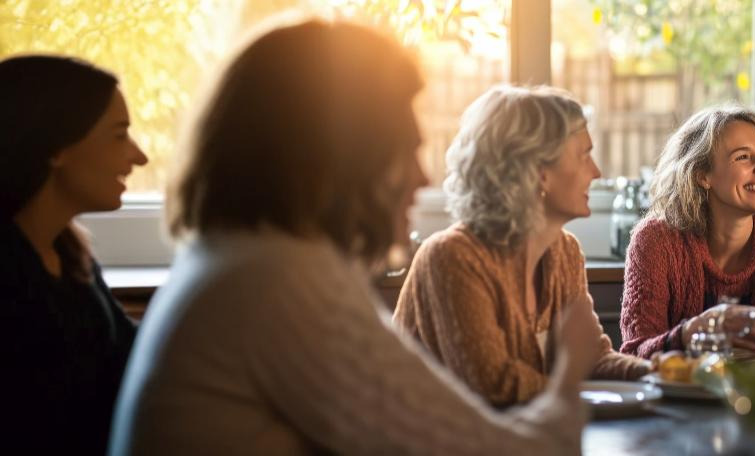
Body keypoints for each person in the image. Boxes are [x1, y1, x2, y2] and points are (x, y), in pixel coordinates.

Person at [109, 19, 600, 455]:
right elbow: (496, 449)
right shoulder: (281, 285)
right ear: (342, 162)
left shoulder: (244, 260)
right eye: (403, 151)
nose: (422, 178)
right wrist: (569, 375)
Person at [394, 86, 650, 408]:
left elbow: (592, 359)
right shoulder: (452, 257)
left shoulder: (564, 252)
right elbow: (494, 387)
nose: (596, 172)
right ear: (539, 173)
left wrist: (660, 375)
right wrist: (580, 392)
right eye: (583, 155)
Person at [0, 55, 148, 455]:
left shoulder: (69, 255)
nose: (139, 157)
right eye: (119, 136)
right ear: (56, 147)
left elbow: (135, 356)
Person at [619, 105, 755, 359]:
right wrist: (692, 331)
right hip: (678, 397)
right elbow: (635, 353)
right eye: (743, 157)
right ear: (702, 175)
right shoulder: (655, 241)